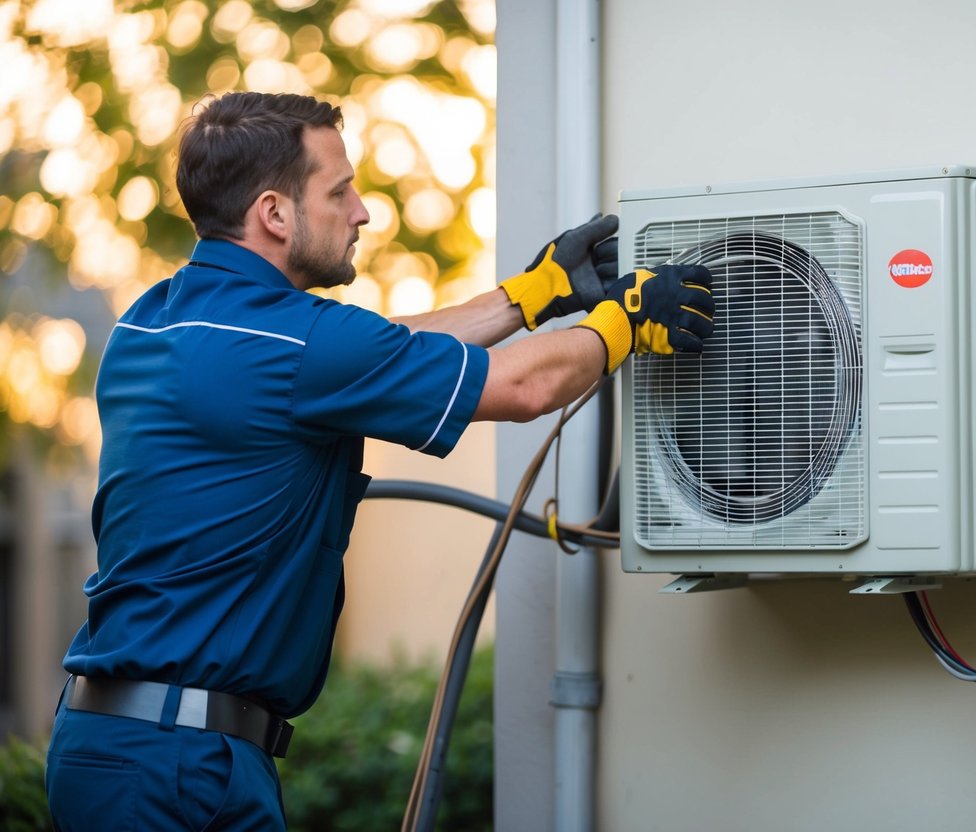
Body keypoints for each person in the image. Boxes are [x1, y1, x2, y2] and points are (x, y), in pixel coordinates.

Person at [43, 91, 713, 830]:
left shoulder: (156, 320)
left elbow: (368, 353)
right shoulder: (296, 345)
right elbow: (524, 387)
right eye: (339, 191)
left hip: (123, 748)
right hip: (176, 768)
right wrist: (624, 324)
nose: (360, 212)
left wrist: (531, 295)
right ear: (274, 213)